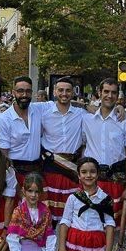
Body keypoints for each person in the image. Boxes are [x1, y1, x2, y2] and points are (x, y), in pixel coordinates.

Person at [81, 78, 126, 251]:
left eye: (114, 92)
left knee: (117, 230)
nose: (110, 96)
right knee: (89, 228)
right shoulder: (87, 119)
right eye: (106, 91)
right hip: (92, 181)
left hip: (116, 180)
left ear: (118, 95)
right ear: (99, 92)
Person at [41, 77, 85, 222]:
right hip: (50, 169)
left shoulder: (81, 114)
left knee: (71, 217)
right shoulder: (44, 113)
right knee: (48, 216)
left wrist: (119, 107)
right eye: (60, 90)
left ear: (73, 93)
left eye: (67, 90)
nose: (64, 94)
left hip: (72, 172)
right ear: (54, 91)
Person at [0, 76, 45, 184]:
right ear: (13, 93)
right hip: (15, 172)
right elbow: (3, 155)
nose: (24, 95)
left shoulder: (39, 110)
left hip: (38, 171)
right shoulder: (4, 119)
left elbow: (58, 104)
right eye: (20, 91)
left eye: (28, 91)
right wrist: (11, 182)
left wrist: (86, 106)